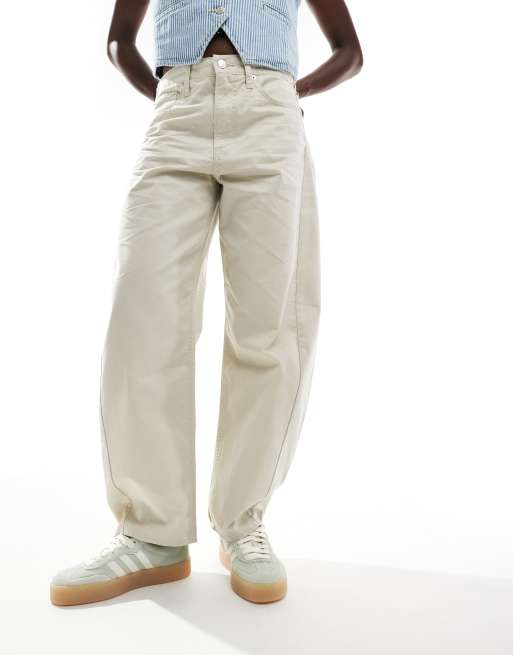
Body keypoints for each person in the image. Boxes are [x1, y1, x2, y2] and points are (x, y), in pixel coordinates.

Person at [50, 0, 363, 606]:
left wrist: (288, 92)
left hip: (270, 117)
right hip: (176, 116)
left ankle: (243, 524)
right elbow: (119, 40)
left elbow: (349, 52)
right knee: (140, 319)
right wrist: (169, 95)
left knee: (268, 329)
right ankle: (151, 533)